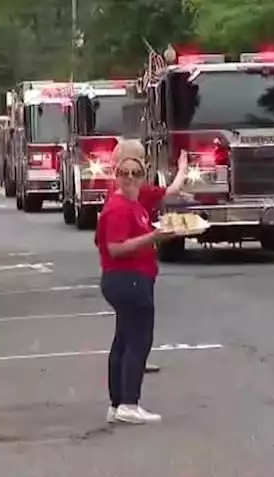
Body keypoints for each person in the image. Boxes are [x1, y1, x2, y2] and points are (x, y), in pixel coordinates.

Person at [96, 140, 189, 424]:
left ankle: (117, 403)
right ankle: (129, 402)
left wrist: (183, 168)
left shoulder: (133, 202)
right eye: (126, 173)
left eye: (137, 173)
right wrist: (154, 238)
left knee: (124, 339)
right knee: (138, 339)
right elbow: (115, 247)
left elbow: (170, 191)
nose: (132, 179)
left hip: (132, 278)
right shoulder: (119, 207)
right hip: (128, 280)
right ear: (117, 173)